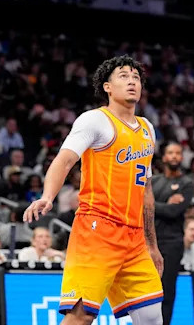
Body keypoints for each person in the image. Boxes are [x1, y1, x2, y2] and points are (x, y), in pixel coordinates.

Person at [23, 56, 164, 324]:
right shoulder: (95, 120)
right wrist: (47, 196)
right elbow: (64, 160)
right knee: (81, 316)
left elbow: (145, 190)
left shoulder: (147, 129)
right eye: (123, 76)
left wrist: (151, 244)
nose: (132, 81)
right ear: (107, 87)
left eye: (136, 77)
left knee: (151, 317)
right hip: (98, 231)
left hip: (134, 239)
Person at [148, 142, 193, 325]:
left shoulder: (187, 183)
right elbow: (140, 205)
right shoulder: (155, 181)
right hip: (150, 241)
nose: (174, 156)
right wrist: (164, 204)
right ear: (164, 157)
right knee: (147, 290)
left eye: (177, 153)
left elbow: (174, 212)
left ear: (181, 157)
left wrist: (151, 204)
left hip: (172, 243)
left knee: (167, 291)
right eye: (170, 153)